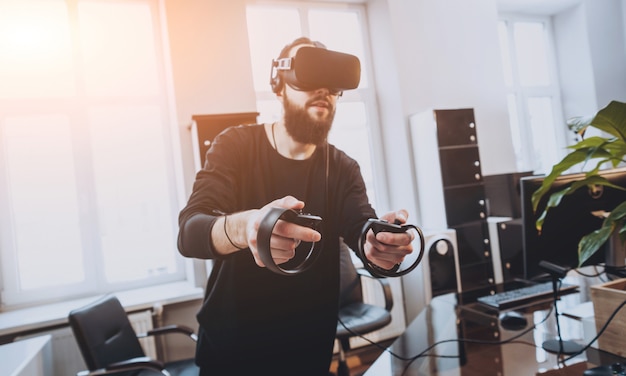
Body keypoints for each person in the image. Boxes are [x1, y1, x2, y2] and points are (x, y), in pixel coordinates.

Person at [177, 36, 415, 376]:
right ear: (279, 85)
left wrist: (377, 244)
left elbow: (359, 224)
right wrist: (247, 228)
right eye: (309, 73)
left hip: (308, 352)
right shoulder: (235, 146)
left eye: (332, 82)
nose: (324, 89)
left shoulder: (342, 168)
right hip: (232, 353)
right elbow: (190, 232)